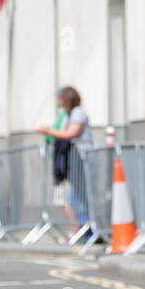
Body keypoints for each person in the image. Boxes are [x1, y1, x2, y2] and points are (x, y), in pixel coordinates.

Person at [35, 86, 92, 230]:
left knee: (75, 197)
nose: (58, 103)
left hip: (81, 159)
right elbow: (62, 132)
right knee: (72, 197)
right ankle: (82, 230)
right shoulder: (67, 115)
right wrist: (49, 131)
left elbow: (69, 134)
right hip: (71, 161)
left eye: (61, 99)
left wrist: (47, 131)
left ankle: (85, 230)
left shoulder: (78, 113)